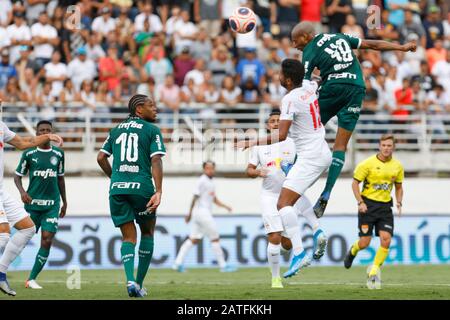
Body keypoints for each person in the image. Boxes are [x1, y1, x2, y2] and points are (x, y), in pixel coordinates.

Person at [290, 21, 416, 218]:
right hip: (357, 88)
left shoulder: (309, 50)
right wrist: (401, 47)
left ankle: (292, 171)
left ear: (305, 37)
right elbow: (373, 44)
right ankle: (326, 193)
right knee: (340, 146)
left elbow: (302, 86)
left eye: (295, 40)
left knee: (305, 129)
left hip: (334, 88)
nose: (293, 45)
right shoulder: (340, 36)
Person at [236, 59, 332, 278]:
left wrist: (252, 142)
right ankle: (317, 230)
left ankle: (299, 254)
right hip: (323, 151)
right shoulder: (308, 88)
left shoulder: (289, 99)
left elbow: (281, 135)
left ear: (288, 79)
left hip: (310, 157)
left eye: (280, 74)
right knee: (294, 197)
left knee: (283, 203)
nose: (277, 76)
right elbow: (317, 79)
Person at [247, 109, 327, 288]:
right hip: (269, 197)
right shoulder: (259, 146)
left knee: (287, 243)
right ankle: (275, 278)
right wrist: (257, 172)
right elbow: (249, 169)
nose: (275, 123)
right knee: (274, 237)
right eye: (272, 121)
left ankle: (280, 257)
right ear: (268, 125)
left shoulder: (293, 143)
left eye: (278, 120)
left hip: (290, 195)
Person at [97, 94, 165, 298]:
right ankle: (139, 283)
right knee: (147, 233)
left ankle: (129, 280)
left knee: (128, 237)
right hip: (142, 187)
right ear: (139, 110)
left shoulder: (116, 129)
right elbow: (156, 161)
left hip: (117, 189)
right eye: (151, 105)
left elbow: (101, 157)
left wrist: (114, 178)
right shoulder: (152, 130)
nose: (156, 109)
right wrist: (159, 190)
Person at [0, 100, 63, 296]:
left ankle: (1, 274)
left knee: (28, 228)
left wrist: (47, 136)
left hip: (1, 190)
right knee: (3, 236)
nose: (1, 103)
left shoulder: (1, 126)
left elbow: (22, 143)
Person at [344, 134, 404, 290]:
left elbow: (398, 186)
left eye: (389, 145)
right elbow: (355, 184)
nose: (386, 148)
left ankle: (374, 269)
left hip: (385, 208)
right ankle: (353, 250)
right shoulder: (367, 164)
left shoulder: (397, 166)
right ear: (379, 146)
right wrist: (360, 202)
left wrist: (399, 201)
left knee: (386, 239)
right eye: (384, 145)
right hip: (368, 206)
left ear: (393, 147)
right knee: (365, 242)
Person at [14, 120, 67, 289]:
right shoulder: (29, 154)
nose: (45, 132)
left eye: (48, 130)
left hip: (52, 206)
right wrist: (23, 192)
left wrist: (65, 202)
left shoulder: (58, 154)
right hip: (33, 205)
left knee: (47, 240)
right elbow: (17, 176)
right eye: (42, 130)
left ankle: (31, 279)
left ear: (52, 134)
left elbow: (60, 178)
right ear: (37, 134)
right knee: (20, 241)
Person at [172, 161, 236, 273]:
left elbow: (214, 199)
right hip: (203, 213)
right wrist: (189, 213)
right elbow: (195, 197)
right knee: (215, 238)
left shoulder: (212, 183)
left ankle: (177, 263)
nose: (210, 170)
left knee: (193, 239)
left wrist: (226, 206)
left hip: (200, 214)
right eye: (207, 168)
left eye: (212, 168)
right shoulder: (202, 181)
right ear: (204, 169)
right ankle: (223, 266)